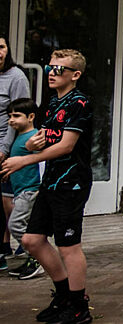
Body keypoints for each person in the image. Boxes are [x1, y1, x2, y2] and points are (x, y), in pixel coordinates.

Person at [0, 50, 95, 324]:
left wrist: (25, 159)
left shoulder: (80, 103)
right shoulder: (53, 103)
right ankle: (64, 295)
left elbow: (66, 146)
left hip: (71, 182)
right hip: (51, 181)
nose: (52, 73)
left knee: (68, 246)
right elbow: (44, 139)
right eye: (49, 68)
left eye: (59, 69)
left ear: (75, 75)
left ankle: (79, 307)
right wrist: (31, 144)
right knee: (31, 240)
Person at [0, 34, 32, 263]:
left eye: (1, 47)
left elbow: (18, 116)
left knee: (8, 200)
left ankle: (25, 243)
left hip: (5, 143)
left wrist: (5, 148)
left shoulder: (16, 77)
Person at [5, 98, 42, 280]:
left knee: (16, 225)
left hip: (30, 190)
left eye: (17, 116)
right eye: (10, 116)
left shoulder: (34, 137)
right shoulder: (18, 136)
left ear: (31, 117)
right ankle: (32, 259)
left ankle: (38, 258)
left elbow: (42, 161)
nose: (12, 120)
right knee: (25, 226)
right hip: (20, 190)